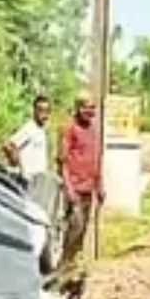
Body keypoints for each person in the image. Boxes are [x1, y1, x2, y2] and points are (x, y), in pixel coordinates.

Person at [57, 92, 101, 265]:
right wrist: (69, 190)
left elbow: (97, 158)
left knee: (82, 233)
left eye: (92, 107)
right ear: (78, 108)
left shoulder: (93, 129)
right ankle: (64, 266)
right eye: (87, 107)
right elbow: (62, 162)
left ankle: (73, 267)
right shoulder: (69, 128)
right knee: (75, 228)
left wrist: (100, 185)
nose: (90, 111)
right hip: (74, 189)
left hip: (89, 189)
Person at [2, 95, 52, 186]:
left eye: (47, 111)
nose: (44, 114)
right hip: (25, 181)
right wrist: (17, 164)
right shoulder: (29, 129)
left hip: (36, 182)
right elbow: (8, 145)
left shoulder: (41, 130)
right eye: (41, 110)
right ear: (35, 110)